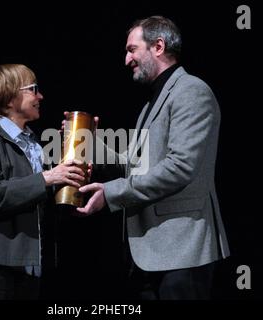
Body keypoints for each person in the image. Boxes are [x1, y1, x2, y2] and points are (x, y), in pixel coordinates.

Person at [76, 16, 230, 299]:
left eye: (132, 49)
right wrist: (88, 143)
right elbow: (136, 165)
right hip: (150, 252)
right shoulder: (151, 103)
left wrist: (110, 194)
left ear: (158, 46)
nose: (126, 59)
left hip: (182, 250)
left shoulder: (191, 91)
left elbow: (180, 167)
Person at [0, 64, 86, 300]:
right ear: (8, 98)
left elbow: (39, 197)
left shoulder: (35, 144)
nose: (40, 96)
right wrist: (48, 177)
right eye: (33, 89)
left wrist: (72, 155)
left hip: (29, 266)